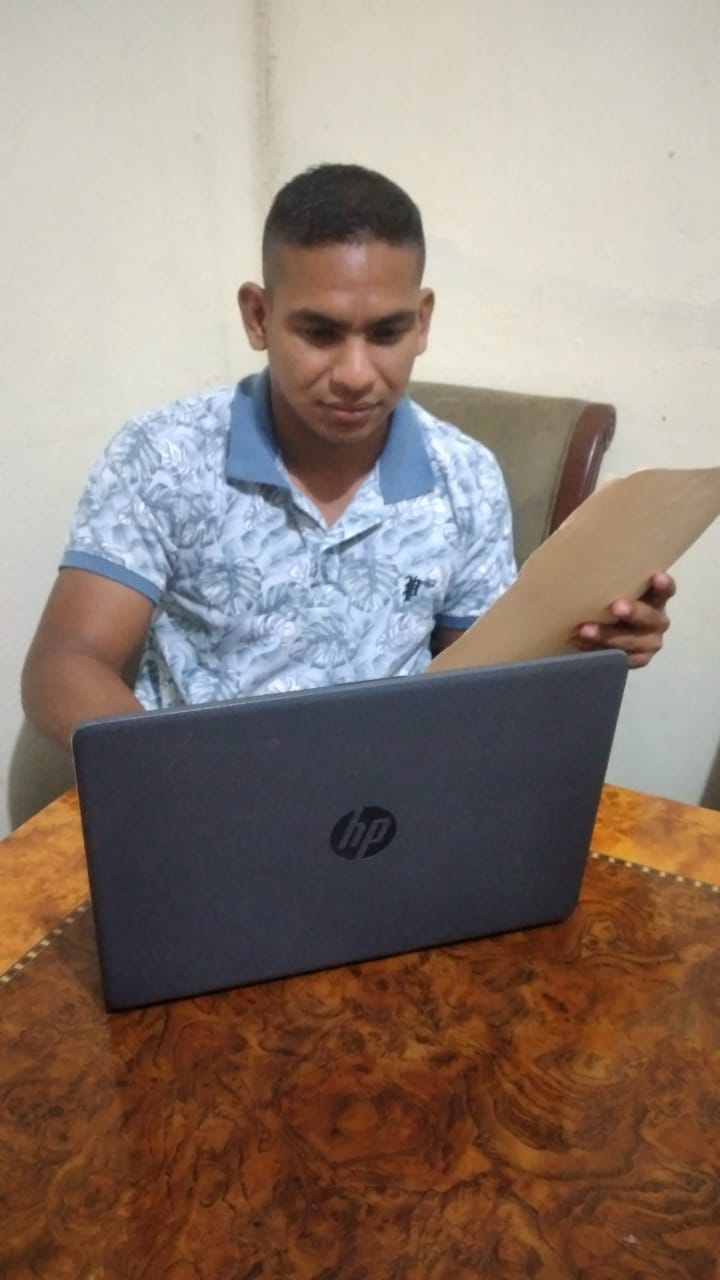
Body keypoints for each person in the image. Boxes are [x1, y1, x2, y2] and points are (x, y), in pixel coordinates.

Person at [22, 164, 674, 750]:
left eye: (387, 332)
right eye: (320, 332)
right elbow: (67, 662)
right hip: (198, 794)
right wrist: (179, 780)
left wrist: (590, 645)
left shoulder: (465, 476)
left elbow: (485, 679)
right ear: (258, 316)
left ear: (422, 321)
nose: (356, 375)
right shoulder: (165, 453)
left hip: (389, 806)